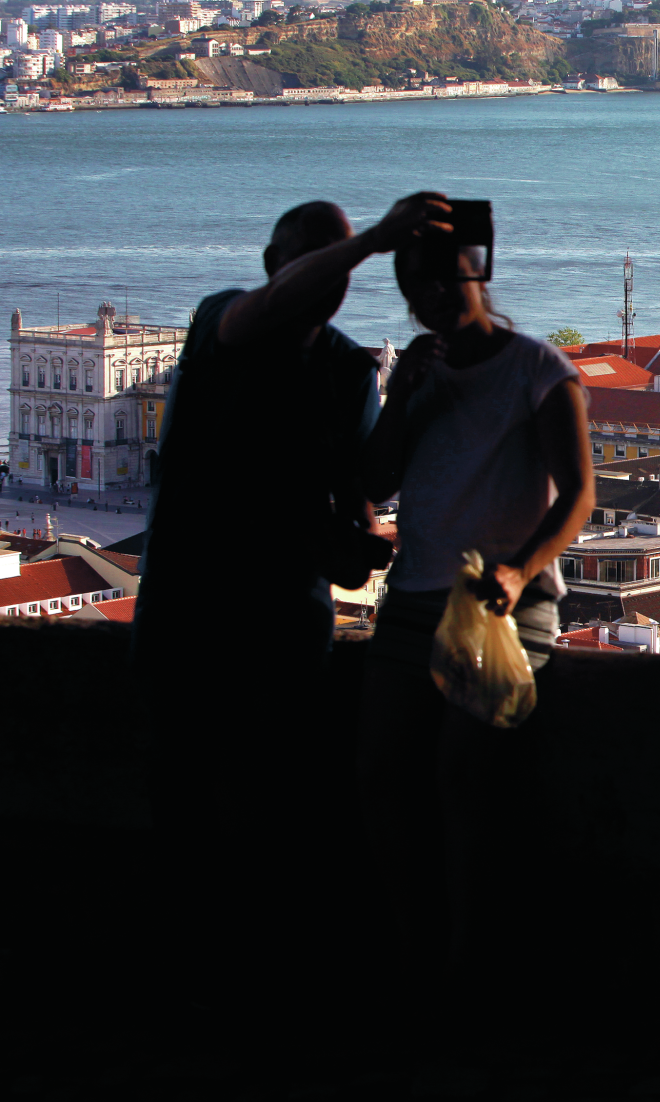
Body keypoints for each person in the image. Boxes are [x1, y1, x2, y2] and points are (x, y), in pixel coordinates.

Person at [132, 192, 449, 988]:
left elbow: (353, 503)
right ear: (279, 266)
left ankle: (246, 965)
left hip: (274, 614)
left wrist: (360, 538)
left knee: (263, 791)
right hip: (193, 606)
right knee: (187, 787)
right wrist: (377, 238)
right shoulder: (221, 321)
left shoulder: (348, 371)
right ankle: (200, 961)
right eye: (312, 255)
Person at [356, 232, 594, 976]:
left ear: (475, 277)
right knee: (381, 774)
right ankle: (411, 942)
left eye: (439, 286)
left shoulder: (539, 370)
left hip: (500, 605)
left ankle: (462, 956)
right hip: (413, 595)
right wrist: (399, 398)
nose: (428, 303)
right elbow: (372, 475)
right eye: (413, 293)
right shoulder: (420, 375)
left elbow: (579, 494)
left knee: (463, 778)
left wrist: (522, 572)